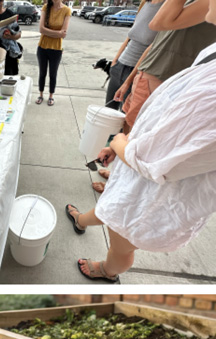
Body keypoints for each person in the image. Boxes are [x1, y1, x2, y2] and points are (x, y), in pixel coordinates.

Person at [64, 21, 216, 283]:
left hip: (156, 196)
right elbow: (166, 127)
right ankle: (80, 221)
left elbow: (152, 161)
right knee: (112, 211)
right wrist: (126, 144)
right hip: (141, 177)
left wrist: (119, 142)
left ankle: (107, 271)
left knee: (121, 243)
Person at [94, 0, 215, 192]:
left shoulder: (206, 5)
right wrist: (130, 79)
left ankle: (117, 186)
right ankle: (116, 176)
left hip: (161, 78)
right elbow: (155, 42)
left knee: (137, 142)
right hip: (147, 74)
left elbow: (158, 23)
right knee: (128, 132)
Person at [105, 0, 166, 105]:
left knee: (125, 117)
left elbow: (154, 47)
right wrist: (115, 61)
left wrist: (129, 80)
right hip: (120, 65)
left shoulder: (168, 6)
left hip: (139, 72)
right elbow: (130, 36)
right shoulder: (145, 3)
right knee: (107, 111)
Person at [35, 0, 71, 106]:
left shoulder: (66, 10)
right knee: (42, 73)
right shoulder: (46, 7)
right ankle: (40, 94)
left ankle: (51, 96)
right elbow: (41, 29)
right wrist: (57, 33)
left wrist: (49, 32)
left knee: (53, 74)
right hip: (42, 47)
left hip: (56, 49)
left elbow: (63, 34)